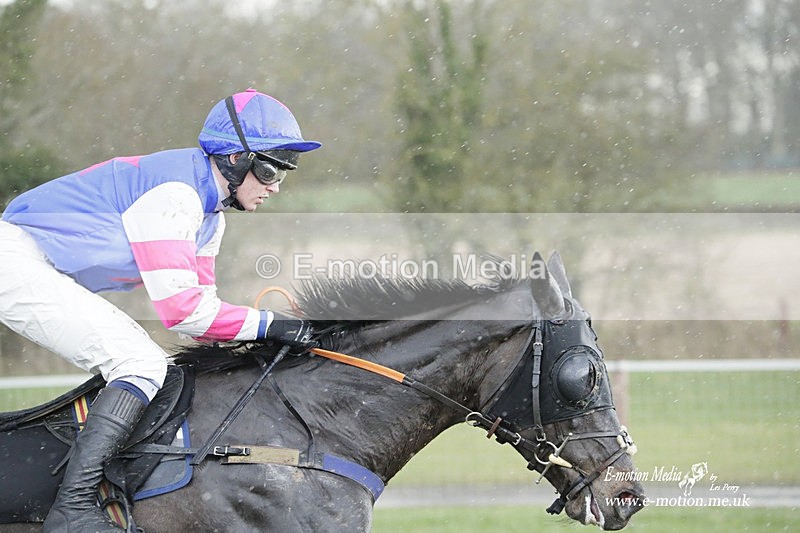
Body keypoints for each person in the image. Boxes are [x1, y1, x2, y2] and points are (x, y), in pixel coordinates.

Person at [0, 88, 320, 532]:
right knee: (140, 361)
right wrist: (270, 325)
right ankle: (71, 511)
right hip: (15, 260)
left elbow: (203, 321)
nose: (275, 186)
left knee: (142, 361)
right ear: (232, 159)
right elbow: (184, 312)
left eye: (285, 171)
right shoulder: (177, 195)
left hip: (33, 266)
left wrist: (277, 332)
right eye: (269, 169)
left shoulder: (211, 219)